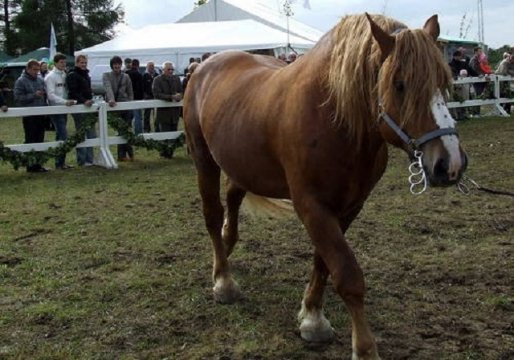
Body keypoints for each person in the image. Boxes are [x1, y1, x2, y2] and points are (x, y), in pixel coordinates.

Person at [13, 59, 49, 172]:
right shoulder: (21, 81)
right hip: (29, 115)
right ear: (27, 69)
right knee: (30, 139)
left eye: (38, 70)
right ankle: (30, 165)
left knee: (40, 138)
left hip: (41, 113)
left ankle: (38, 164)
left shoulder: (40, 79)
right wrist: (33, 95)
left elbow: (45, 95)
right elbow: (18, 98)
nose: (36, 72)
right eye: (34, 69)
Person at [45, 53, 77, 169]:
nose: (63, 64)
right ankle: (59, 162)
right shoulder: (51, 77)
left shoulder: (64, 75)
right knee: (63, 135)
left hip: (64, 109)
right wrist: (64, 102)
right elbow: (51, 95)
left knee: (60, 135)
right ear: (55, 63)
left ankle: (60, 162)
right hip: (55, 108)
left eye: (64, 62)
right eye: (61, 62)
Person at [66, 54, 97, 166]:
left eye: (85, 62)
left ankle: (90, 159)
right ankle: (82, 159)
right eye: (81, 62)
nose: (83, 64)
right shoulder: (72, 75)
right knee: (81, 133)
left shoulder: (86, 75)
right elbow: (73, 92)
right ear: (76, 63)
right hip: (79, 106)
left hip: (88, 107)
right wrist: (84, 101)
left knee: (91, 133)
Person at [103, 55, 134, 161]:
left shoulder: (126, 76)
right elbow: (108, 88)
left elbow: (130, 92)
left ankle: (127, 154)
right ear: (112, 65)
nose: (117, 66)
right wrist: (111, 100)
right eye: (115, 64)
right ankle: (125, 154)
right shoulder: (106, 75)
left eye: (118, 64)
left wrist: (130, 103)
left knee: (127, 129)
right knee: (121, 130)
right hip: (114, 107)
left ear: (121, 65)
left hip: (125, 106)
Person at [152, 61, 182, 158]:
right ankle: (164, 152)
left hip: (175, 111)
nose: (170, 71)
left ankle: (171, 152)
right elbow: (156, 94)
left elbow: (181, 91)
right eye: (168, 69)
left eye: (172, 69)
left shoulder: (176, 79)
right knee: (164, 132)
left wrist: (179, 96)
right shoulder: (157, 80)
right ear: (163, 70)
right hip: (163, 112)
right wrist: (171, 97)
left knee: (173, 131)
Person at [126, 58, 144, 134]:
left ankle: (128, 130)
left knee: (128, 116)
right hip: (137, 97)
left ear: (131, 64)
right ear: (138, 65)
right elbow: (141, 87)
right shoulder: (139, 75)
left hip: (128, 97)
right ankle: (138, 132)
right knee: (138, 116)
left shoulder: (127, 73)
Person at [142, 61, 159, 132]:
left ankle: (157, 129)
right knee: (147, 115)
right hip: (148, 97)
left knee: (157, 115)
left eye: (152, 66)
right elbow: (142, 87)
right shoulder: (144, 76)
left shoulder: (157, 75)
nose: (151, 67)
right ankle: (146, 129)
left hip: (156, 97)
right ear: (147, 67)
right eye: (150, 66)